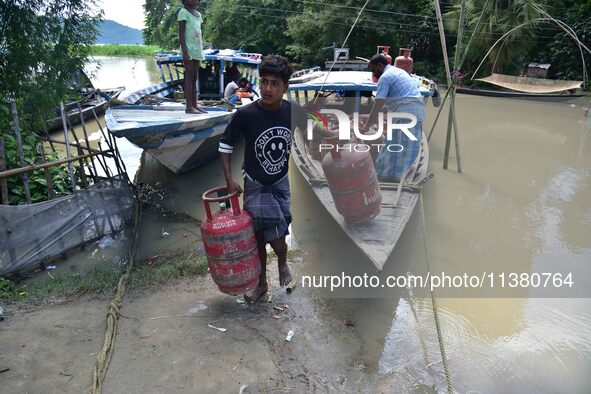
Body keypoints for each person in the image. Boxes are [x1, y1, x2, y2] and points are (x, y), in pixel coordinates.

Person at [218, 55, 332, 304]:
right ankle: (262, 284)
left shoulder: (292, 112)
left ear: (285, 88)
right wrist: (229, 180)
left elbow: (315, 132)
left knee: (279, 233)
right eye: (264, 82)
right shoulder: (245, 114)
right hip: (254, 183)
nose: (267, 89)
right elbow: (225, 146)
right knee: (259, 236)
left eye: (274, 84)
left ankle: (281, 260)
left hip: (280, 182)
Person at [363, 54, 426, 182]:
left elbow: (378, 103)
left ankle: (382, 176)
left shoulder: (385, 77)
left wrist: (367, 126)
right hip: (417, 112)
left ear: (380, 66)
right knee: (407, 147)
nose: (374, 74)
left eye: (374, 70)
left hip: (405, 112)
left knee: (392, 145)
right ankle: (399, 176)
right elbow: (393, 99)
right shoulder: (398, 72)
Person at [178, 0, 207, 114]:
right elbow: (181, 33)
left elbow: (198, 32)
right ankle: (189, 107)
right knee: (189, 78)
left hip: (197, 50)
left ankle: (195, 105)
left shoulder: (198, 15)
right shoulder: (183, 12)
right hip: (188, 49)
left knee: (194, 78)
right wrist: (185, 51)